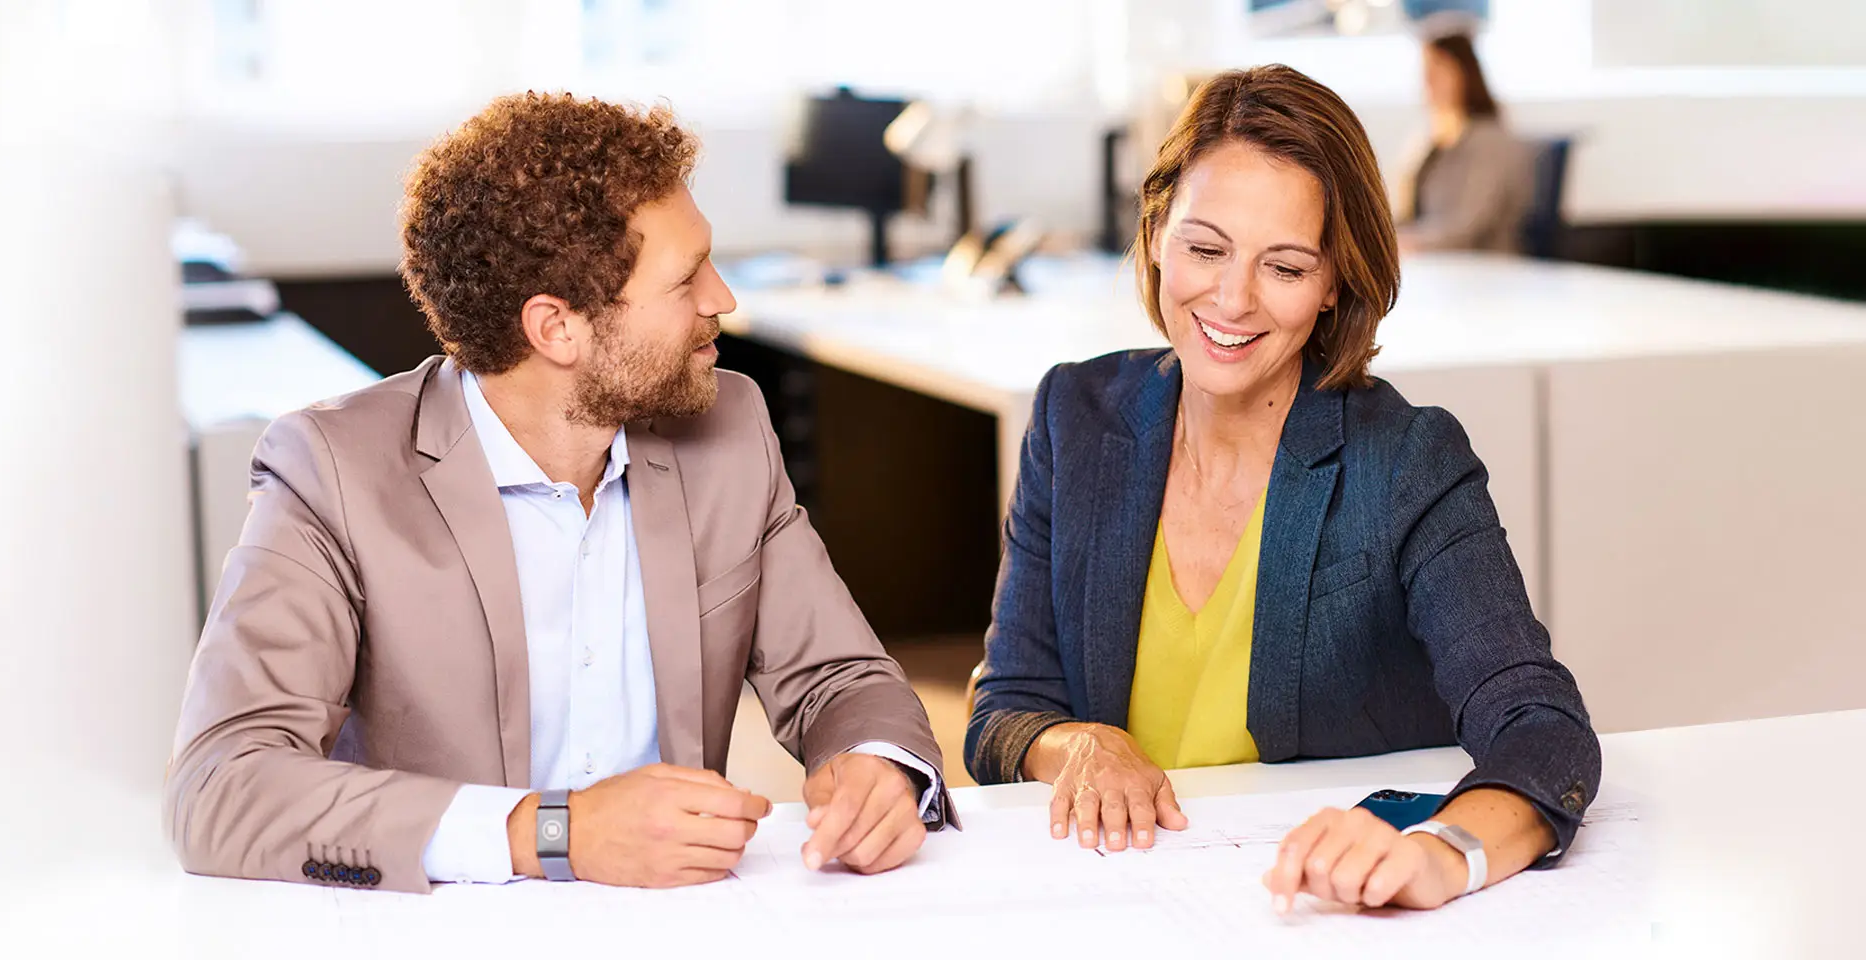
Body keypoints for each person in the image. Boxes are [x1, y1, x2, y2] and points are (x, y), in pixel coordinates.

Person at [164, 92, 952, 894]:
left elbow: (841, 678)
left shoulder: (729, 429)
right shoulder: (333, 470)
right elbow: (224, 785)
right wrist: (549, 833)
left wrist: (876, 764)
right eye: (685, 280)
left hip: (682, 924)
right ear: (557, 329)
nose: (722, 299)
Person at [965, 65, 1599, 913]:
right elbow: (1006, 708)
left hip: (1320, 911)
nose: (1231, 299)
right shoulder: (1075, 419)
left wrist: (1442, 856)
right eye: (1204, 248)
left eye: (1286, 267)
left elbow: (1543, 728)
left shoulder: (1409, 459)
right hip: (1119, 896)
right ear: (1156, 234)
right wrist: (1078, 745)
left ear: (1335, 281)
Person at [1396, 33, 1535, 254]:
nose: (1428, 83)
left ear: (1464, 75)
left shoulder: (1490, 142)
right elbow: (1414, 213)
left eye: (1436, 72)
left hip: (1482, 266)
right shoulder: (1436, 141)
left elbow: (1469, 225)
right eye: (1425, 74)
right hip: (1439, 262)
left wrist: (1410, 243)